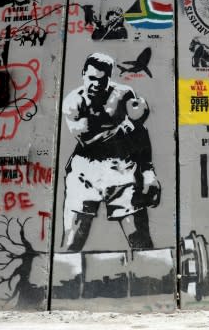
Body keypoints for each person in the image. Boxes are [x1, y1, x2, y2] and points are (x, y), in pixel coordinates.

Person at [61, 53, 160, 251]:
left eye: (101, 79)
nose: (96, 84)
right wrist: (124, 124)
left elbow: (140, 133)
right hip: (84, 171)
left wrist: (148, 172)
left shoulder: (124, 94)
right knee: (71, 243)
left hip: (121, 167)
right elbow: (87, 138)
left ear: (109, 77)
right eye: (91, 79)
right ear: (83, 75)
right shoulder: (73, 101)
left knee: (141, 241)